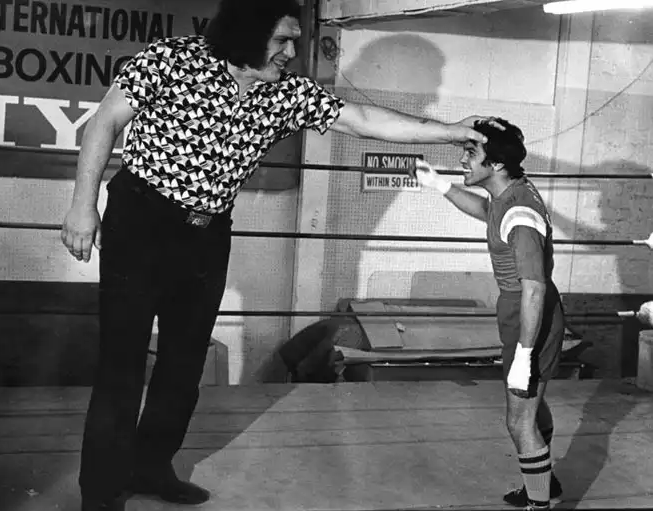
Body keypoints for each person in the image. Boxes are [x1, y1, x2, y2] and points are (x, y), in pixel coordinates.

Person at [61, 0, 495, 509]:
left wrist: (451, 131)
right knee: (123, 362)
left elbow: (361, 119)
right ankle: (100, 490)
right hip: (140, 221)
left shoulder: (287, 93)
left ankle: (152, 467)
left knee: (183, 363)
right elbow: (104, 123)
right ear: (247, 32)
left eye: (295, 42)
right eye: (282, 39)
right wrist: (82, 206)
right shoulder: (170, 59)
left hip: (206, 234)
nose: (291, 52)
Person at [411, 118, 565, 511]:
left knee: (518, 421)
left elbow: (534, 289)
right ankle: (545, 484)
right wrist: (440, 185)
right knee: (531, 406)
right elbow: (485, 210)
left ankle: (540, 505)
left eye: (471, 153)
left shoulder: (521, 214)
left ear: (495, 164)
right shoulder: (507, 192)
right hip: (521, 309)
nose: (463, 160)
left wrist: (525, 356)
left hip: (531, 313)